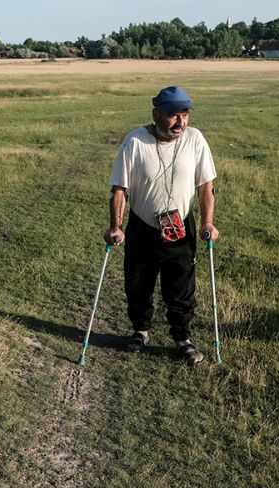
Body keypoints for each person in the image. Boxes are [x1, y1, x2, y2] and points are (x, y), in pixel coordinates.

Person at [105, 85, 218, 365]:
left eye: (185, 115)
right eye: (173, 115)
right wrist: (116, 226)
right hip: (143, 228)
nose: (180, 122)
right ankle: (140, 331)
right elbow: (119, 189)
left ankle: (182, 338)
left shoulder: (195, 139)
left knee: (181, 287)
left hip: (181, 228)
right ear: (156, 114)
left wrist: (208, 223)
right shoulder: (135, 141)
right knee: (137, 283)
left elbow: (206, 188)